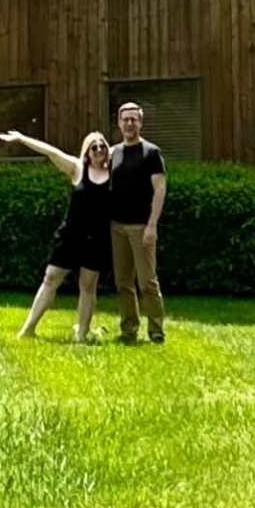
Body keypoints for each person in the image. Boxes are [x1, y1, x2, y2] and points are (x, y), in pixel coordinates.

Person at [0, 127, 117, 341]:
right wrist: (22, 138)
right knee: (51, 278)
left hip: (98, 239)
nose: (99, 149)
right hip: (71, 236)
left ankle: (81, 334)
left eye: (102, 146)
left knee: (88, 286)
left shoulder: (114, 174)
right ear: (87, 152)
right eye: (94, 147)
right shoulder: (77, 168)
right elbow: (51, 152)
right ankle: (27, 330)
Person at [106, 98, 170, 343]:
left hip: (142, 227)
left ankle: (156, 331)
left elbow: (160, 189)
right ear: (119, 124)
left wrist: (152, 225)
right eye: (125, 119)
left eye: (134, 119)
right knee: (123, 283)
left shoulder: (151, 153)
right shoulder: (114, 153)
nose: (129, 123)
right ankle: (128, 330)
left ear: (141, 123)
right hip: (117, 227)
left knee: (147, 283)